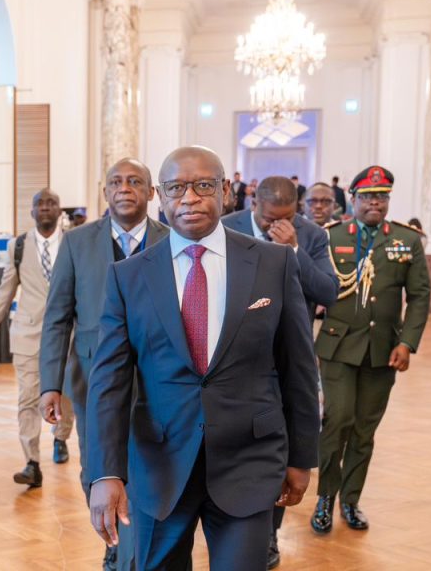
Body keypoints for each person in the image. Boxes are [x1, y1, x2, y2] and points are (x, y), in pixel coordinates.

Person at [86, 146, 320, 570]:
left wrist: (302, 457)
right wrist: (105, 472)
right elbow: (109, 381)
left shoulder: (273, 263)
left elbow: (298, 368)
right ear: (161, 195)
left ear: (225, 190)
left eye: (203, 185)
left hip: (248, 461)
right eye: (176, 187)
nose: (189, 198)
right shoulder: (128, 276)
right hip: (159, 467)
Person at [39, 158, 169, 570]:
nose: (125, 188)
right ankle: (112, 535)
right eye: (116, 182)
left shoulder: (171, 239)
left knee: (150, 464)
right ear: (105, 192)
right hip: (93, 378)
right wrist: (50, 384)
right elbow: (57, 317)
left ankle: (137, 544)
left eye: (135, 181)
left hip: (160, 382)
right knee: (96, 465)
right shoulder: (77, 243)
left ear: (151, 193)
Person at [223, 175, 338, 568]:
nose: (279, 224)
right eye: (272, 217)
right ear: (254, 203)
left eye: (288, 217)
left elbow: (328, 292)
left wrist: (292, 250)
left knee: (281, 451)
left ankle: (268, 533)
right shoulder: (227, 227)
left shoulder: (311, 235)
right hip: (236, 358)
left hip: (288, 358)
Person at [311, 166, 431, 535]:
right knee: (337, 422)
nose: (374, 203)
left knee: (365, 429)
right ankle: (325, 498)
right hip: (337, 345)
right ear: (354, 199)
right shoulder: (330, 236)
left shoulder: (405, 240)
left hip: (383, 350)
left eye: (381, 196)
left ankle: (351, 500)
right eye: (367, 197)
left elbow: (420, 294)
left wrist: (407, 342)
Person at [0, 189, 75, 488]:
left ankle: (61, 437)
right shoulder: (17, 246)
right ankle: (32, 462)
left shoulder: (75, 243)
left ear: (60, 211)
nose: (45, 208)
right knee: (27, 397)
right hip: (29, 333)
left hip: (68, 334)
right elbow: (5, 290)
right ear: (31, 212)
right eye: (39, 204)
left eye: (51, 203)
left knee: (67, 393)